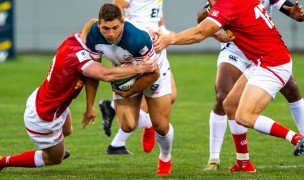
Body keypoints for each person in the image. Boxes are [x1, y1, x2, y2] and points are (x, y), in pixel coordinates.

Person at [154, 0, 304, 172]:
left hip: (272, 62)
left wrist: (171, 39)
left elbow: (199, 33)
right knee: (229, 104)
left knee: (244, 116)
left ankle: (296, 138)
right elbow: (204, 21)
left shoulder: (228, 4)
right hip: (262, 59)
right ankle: (244, 163)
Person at [0, 19, 156, 171]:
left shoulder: (76, 39)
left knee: (67, 130)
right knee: (54, 159)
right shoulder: (77, 56)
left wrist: (90, 107)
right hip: (44, 114)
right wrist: (139, 68)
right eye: (105, 30)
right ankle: (4, 161)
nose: (110, 35)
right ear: (99, 29)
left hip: (49, 101)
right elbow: (105, 75)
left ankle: (55, 146)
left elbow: (97, 22)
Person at [85, 3, 174, 176]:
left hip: (154, 70)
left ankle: (165, 157)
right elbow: (92, 72)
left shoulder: (137, 37)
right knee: (127, 125)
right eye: (105, 28)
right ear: (99, 25)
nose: (110, 33)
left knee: (161, 126)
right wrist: (90, 105)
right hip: (125, 71)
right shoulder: (93, 35)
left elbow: (152, 73)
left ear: (123, 21)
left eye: (115, 28)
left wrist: (127, 91)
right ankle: (147, 121)